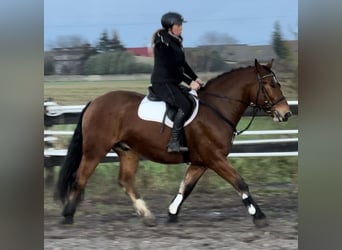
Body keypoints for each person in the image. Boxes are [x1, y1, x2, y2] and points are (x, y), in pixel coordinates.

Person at [150, 12, 203, 153]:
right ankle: (173, 142)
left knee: (193, 100)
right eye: (178, 25)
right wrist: (189, 82)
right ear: (169, 27)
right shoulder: (162, 44)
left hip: (172, 82)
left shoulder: (176, 41)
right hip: (162, 83)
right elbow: (171, 68)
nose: (181, 28)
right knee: (185, 106)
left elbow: (182, 64)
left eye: (181, 25)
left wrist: (195, 77)